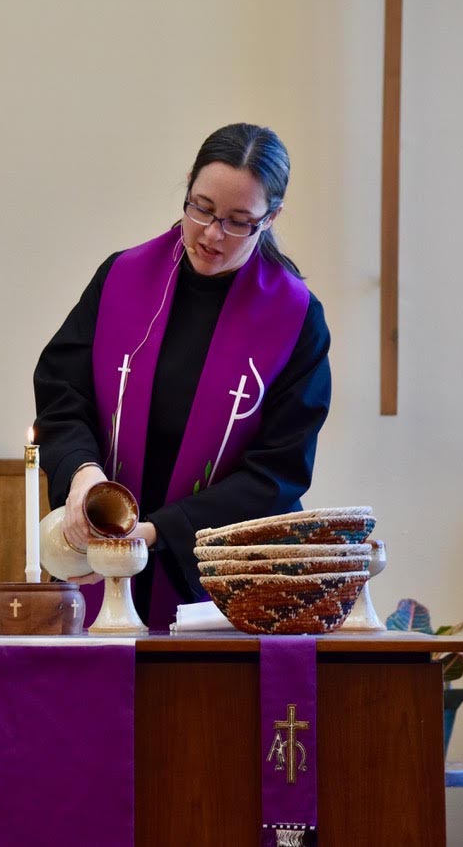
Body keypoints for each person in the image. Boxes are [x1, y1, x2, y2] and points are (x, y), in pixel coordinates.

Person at [33, 122, 332, 630]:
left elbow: (276, 473)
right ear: (189, 185)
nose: (212, 234)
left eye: (239, 221)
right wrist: (82, 473)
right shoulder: (121, 277)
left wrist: (155, 533)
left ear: (272, 217)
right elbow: (63, 393)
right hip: (99, 557)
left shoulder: (295, 318)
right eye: (202, 208)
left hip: (218, 587)